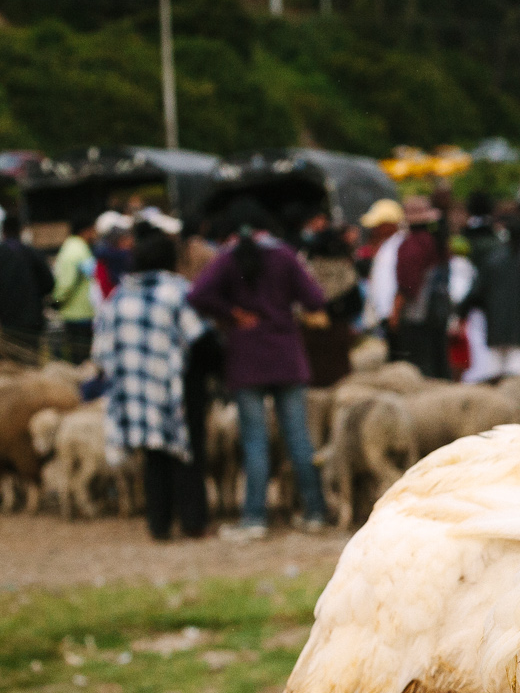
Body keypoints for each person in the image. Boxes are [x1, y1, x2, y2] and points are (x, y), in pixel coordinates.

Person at [187, 199, 333, 540]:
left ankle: (254, 518)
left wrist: (232, 313)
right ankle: (315, 511)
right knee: (299, 439)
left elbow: (197, 295)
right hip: (286, 356)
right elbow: (314, 299)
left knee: (254, 443)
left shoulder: (227, 259)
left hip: (246, 359)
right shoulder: (284, 256)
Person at [96, 224, 209, 540]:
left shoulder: (118, 297)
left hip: (138, 390)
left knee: (154, 456)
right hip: (179, 387)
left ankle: (158, 525)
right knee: (187, 452)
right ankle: (193, 522)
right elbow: (198, 337)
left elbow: (103, 348)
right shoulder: (178, 292)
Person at [461, 211, 520, 381]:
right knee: (518, 383)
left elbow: (476, 294)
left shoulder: (492, 260)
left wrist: (462, 314)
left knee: (494, 381)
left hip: (495, 331)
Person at [388, 195, 450, 379]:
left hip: (416, 315)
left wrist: (395, 313)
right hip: (438, 312)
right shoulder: (437, 243)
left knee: (420, 369)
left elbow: (407, 285)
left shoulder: (411, 246)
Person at [298, 210, 361, 387]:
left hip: (310, 335)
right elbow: (356, 303)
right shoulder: (346, 272)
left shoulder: (306, 269)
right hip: (338, 334)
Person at [0, 210, 53, 364]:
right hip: (32, 319)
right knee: (32, 360)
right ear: (21, 231)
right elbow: (49, 283)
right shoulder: (32, 252)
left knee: (12, 363)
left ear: (4, 231)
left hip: (8, 320)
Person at [51, 216, 99, 363]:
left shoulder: (70, 247)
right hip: (79, 312)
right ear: (85, 231)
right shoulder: (78, 250)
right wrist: (58, 300)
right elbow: (67, 283)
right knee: (82, 358)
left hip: (73, 311)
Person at [358, 197, 404, 329]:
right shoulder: (387, 246)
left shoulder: (397, 246)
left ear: (388, 225)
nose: (375, 229)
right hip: (385, 314)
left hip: (392, 314)